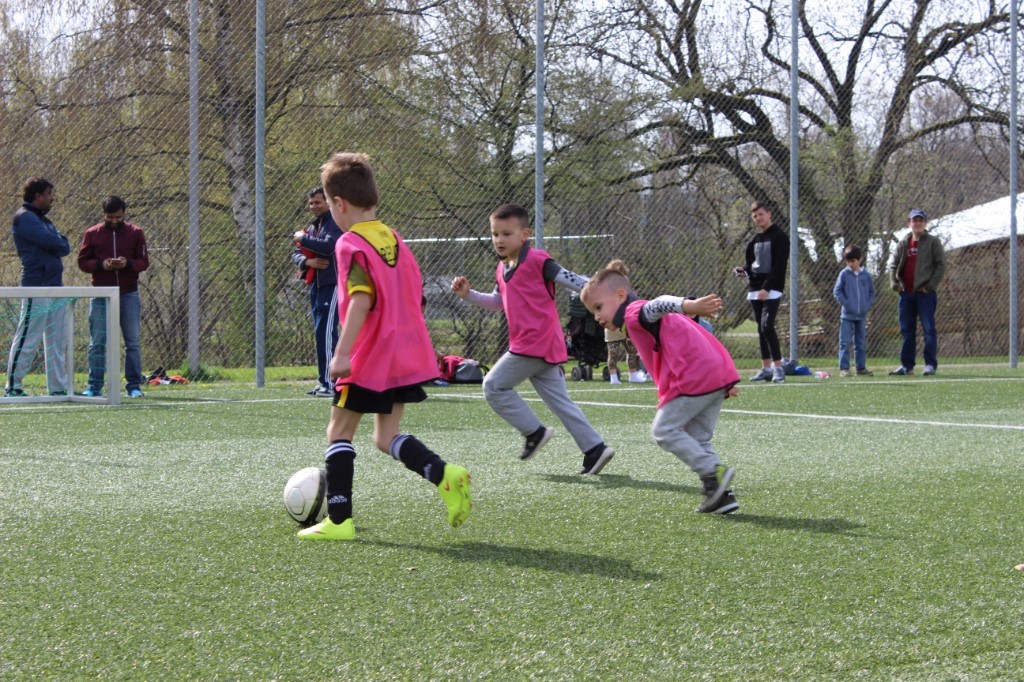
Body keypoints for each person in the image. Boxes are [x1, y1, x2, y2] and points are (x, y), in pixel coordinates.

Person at [298, 152, 470, 540]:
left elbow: (360, 299)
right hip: (403, 354)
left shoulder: (349, 244)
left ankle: (339, 521)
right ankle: (445, 475)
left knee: (339, 431)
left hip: (369, 356)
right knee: (385, 437)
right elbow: (415, 294)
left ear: (338, 204)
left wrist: (342, 353)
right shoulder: (394, 238)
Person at [451, 203, 615, 475]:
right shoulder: (502, 267)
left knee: (493, 386)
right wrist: (468, 295)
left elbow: (575, 282)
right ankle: (595, 449)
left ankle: (534, 433)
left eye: (506, 234)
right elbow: (498, 302)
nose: (499, 240)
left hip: (534, 344)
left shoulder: (539, 260)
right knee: (560, 403)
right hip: (539, 346)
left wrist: (608, 296)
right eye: (495, 234)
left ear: (525, 234)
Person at [581, 260, 740, 514]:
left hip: (694, 377)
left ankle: (713, 473)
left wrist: (689, 305)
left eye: (598, 307)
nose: (597, 316)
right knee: (697, 438)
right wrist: (722, 379)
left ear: (620, 296)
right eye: (592, 311)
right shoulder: (638, 321)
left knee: (664, 430)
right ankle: (721, 495)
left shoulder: (634, 313)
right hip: (714, 374)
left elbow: (659, 302)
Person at [76, 195, 150, 398]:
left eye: (118, 217)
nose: (114, 221)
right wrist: (102, 265)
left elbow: (143, 262)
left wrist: (127, 264)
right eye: (110, 217)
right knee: (97, 342)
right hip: (101, 293)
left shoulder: (136, 233)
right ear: (104, 214)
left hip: (128, 293)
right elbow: (83, 262)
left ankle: (134, 386)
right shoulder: (92, 233)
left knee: (132, 342)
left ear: (124, 213)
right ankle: (94, 386)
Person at [5, 177, 71, 397]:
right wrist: (57, 241)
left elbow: (64, 246)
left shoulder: (45, 220)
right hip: (37, 285)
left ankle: (58, 388)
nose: (52, 198)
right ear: (38, 196)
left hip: (55, 285)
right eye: (49, 194)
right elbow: (53, 242)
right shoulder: (25, 217)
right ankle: (13, 386)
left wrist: (58, 241)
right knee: (29, 337)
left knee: (56, 340)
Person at [291, 187, 342, 397]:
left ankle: (329, 383)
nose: (313, 206)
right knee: (324, 334)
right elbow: (296, 252)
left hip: (332, 284)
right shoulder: (313, 227)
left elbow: (329, 246)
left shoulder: (335, 223)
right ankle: (329, 381)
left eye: (318, 202)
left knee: (325, 333)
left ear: (328, 202)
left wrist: (302, 238)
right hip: (316, 286)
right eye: (311, 203)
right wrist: (306, 261)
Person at [733, 201, 790, 384]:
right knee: (760, 329)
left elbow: (779, 266)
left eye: (761, 214)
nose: (758, 218)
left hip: (771, 289)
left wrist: (766, 288)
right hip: (755, 290)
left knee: (767, 325)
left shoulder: (780, 237)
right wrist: (743, 271)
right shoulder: (754, 240)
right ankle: (766, 369)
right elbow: (751, 266)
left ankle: (778, 368)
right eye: (755, 216)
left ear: (769, 214)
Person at [888, 209, 946, 376]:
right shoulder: (903, 243)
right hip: (906, 294)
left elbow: (941, 265)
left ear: (925, 223)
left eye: (920, 220)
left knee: (929, 330)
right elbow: (893, 265)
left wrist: (930, 286)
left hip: (925, 294)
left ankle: (930, 365)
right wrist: (894, 284)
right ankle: (907, 366)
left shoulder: (933, 242)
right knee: (907, 331)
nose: (917, 223)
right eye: (914, 220)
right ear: (909, 223)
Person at [832, 244, 875, 377]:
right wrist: (847, 304)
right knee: (844, 342)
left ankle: (860, 368)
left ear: (859, 259)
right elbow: (837, 291)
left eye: (853, 261)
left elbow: (871, 293)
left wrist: (866, 305)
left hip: (861, 315)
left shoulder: (866, 275)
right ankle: (844, 368)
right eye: (848, 261)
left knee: (860, 343)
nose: (850, 264)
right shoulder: (844, 274)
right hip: (847, 315)